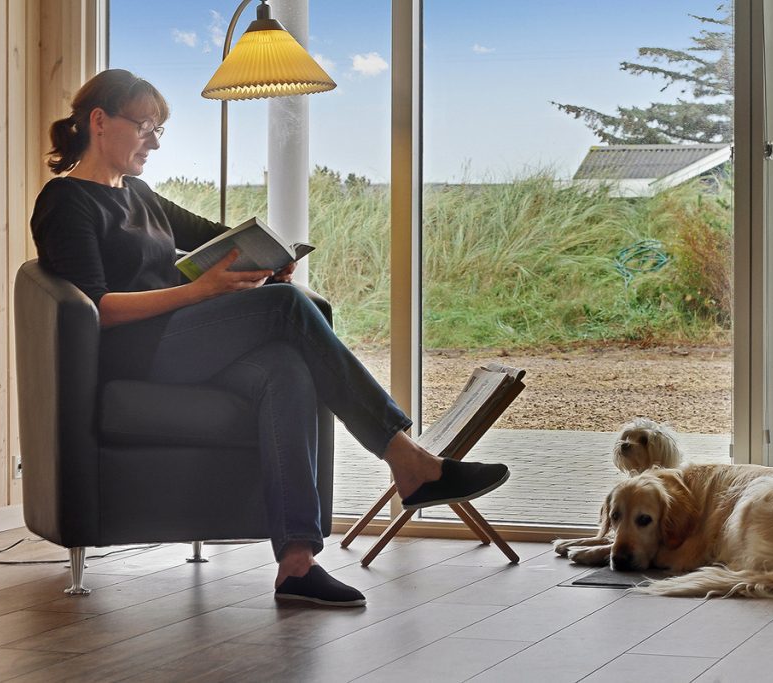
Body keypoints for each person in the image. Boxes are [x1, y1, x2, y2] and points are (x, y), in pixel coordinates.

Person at [30, 69, 510, 608]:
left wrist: (269, 259)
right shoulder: (65, 201)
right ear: (100, 121)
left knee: (285, 367)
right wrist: (202, 291)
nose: (156, 141)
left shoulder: (141, 195)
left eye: (160, 129)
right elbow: (98, 308)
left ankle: (297, 565)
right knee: (286, 308)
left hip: (188, 344)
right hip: (137, 353)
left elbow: (221, 238)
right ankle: (407, 459)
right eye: (146, 126)